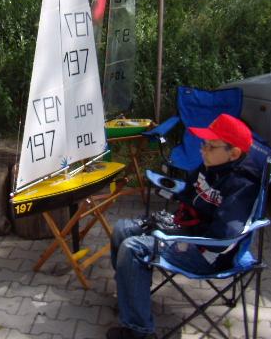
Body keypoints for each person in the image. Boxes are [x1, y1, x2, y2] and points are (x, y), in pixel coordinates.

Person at [106, 113, 258, 339]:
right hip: (187, 229)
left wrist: (178, 235)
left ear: (234, 153)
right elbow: (188, 191)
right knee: (122, 229)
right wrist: (170, 205)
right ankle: (131, 299)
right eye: (203, 144)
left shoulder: (242, 186)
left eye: (210, 146)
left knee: (132, 248)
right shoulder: (211, 165)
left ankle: (139, 331)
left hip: (207, 253)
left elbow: (222, 238)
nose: (203, 150)